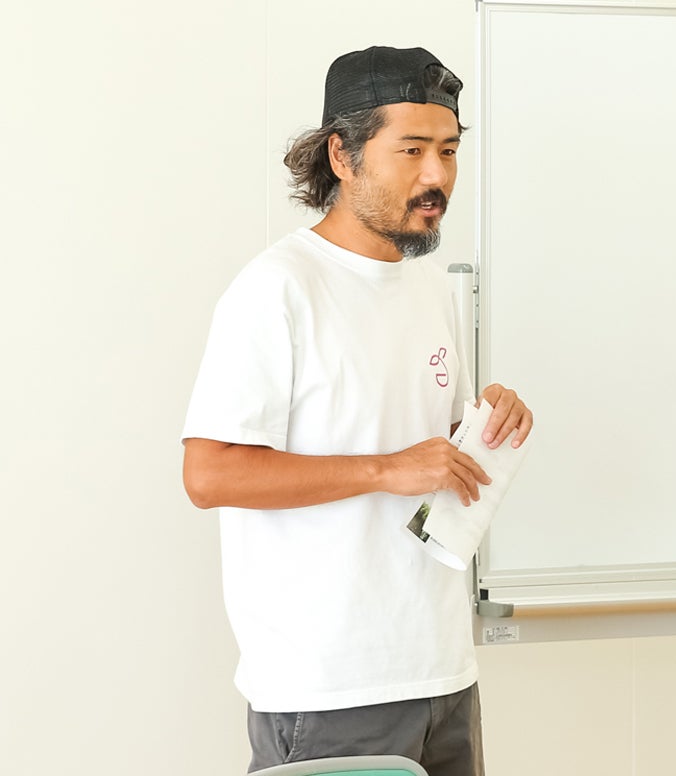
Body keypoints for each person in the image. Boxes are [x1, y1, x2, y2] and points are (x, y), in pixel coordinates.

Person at [181, 45, 530, 775]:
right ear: (341, 155)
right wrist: (384, 469)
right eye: (411, 150)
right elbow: (209, 474)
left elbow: (432, 454)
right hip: (328, 691)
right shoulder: (277, 289)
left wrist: (486, 426)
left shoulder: (430, 286)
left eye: (448, 150)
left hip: (444, 674)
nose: (437, 176)